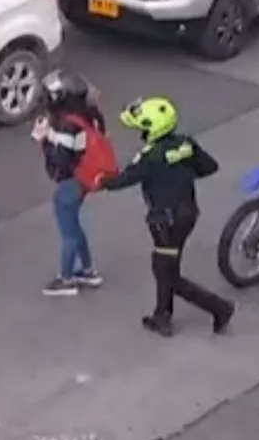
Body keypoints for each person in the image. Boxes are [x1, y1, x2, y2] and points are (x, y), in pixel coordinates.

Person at [100, 96, 235, 336]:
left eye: (141, 128)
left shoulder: (150, 156)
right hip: (187, 213)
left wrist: (101, 179)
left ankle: (219, 308)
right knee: (167, 267)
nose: (139, 132)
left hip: (167, 220)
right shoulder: (185, 144)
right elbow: (209, 167)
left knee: (166, 273)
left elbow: (121, 180)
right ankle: (162, 315)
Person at [37, 70, 108, 296]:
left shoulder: (69, 126)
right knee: (74, 226)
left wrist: (44, 140)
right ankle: (88, 271)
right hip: (84, 179)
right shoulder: (91, 117)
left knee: (68, 231)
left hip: (71, 182)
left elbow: (61, 159)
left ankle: (66, 279)